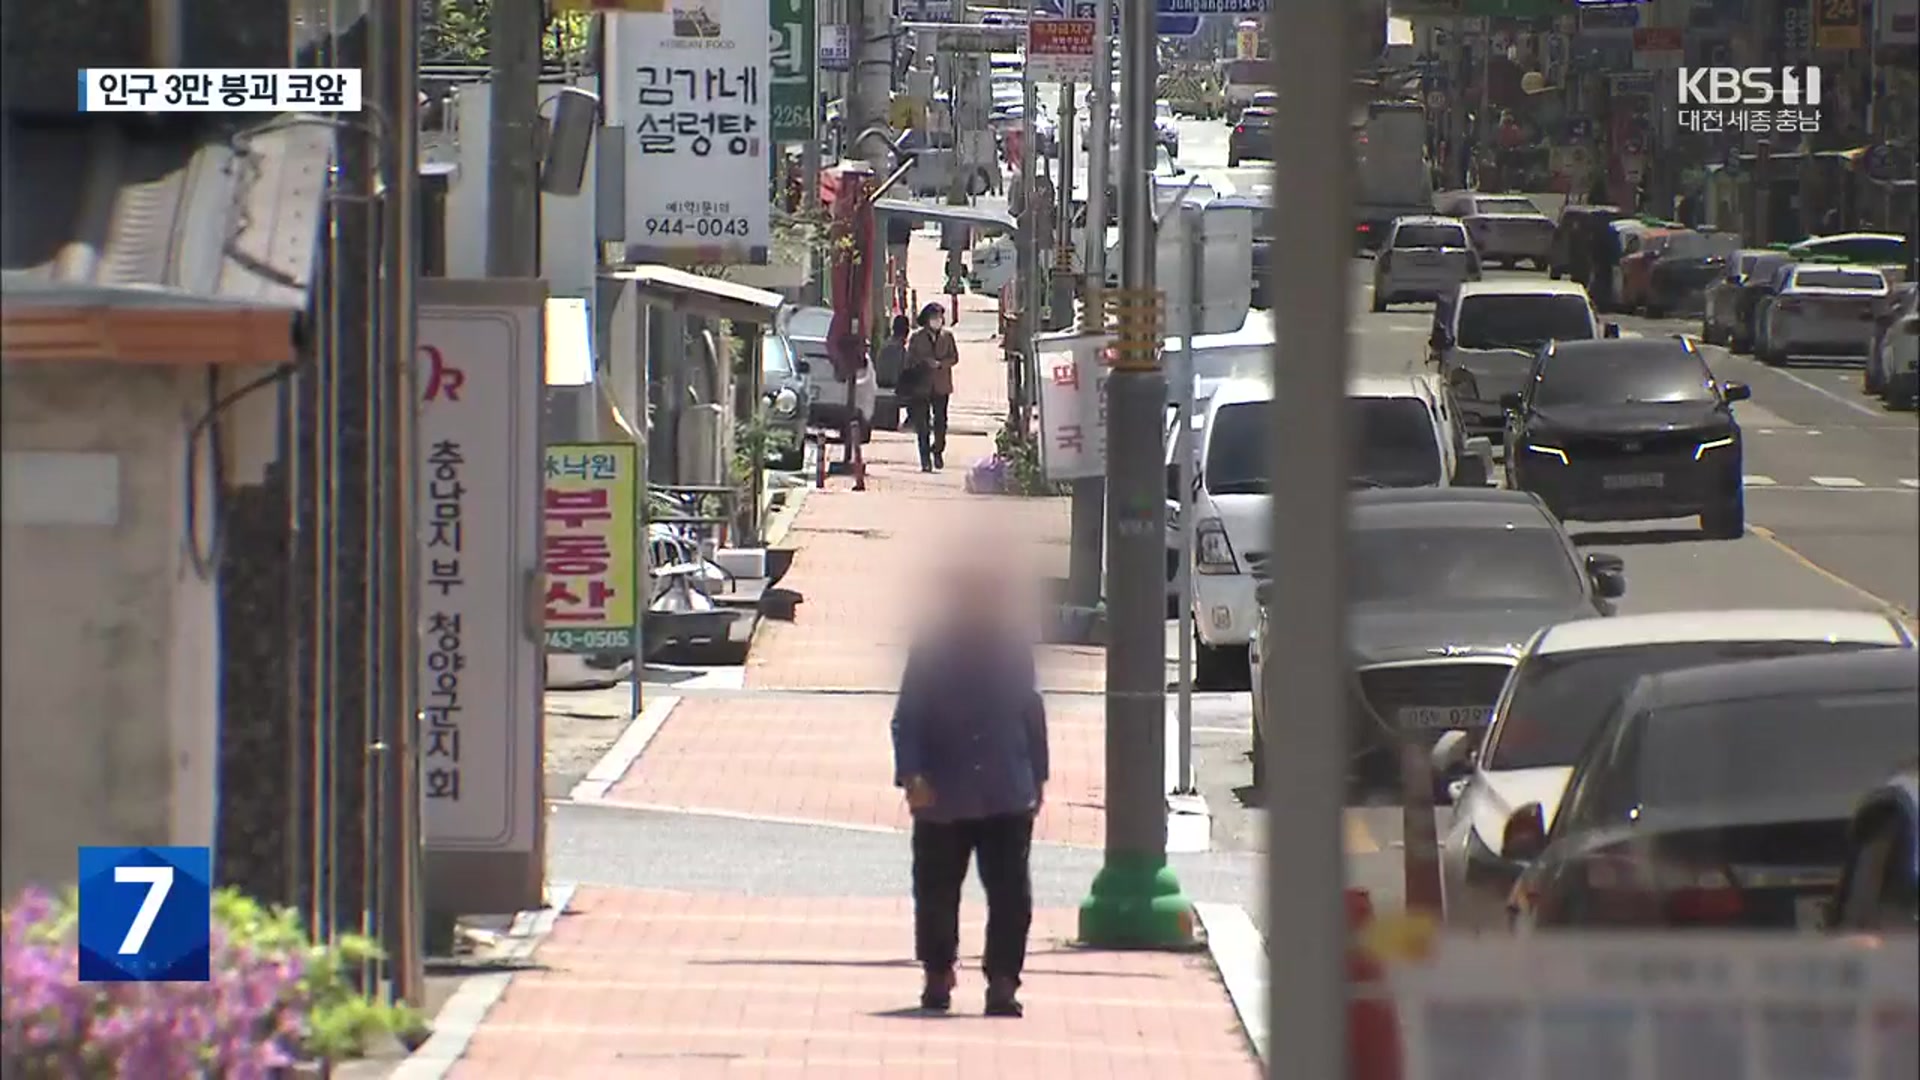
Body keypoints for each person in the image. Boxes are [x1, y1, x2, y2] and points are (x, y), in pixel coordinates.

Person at [891, 556, 1048, 1018]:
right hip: (943, 792)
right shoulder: (931, 648)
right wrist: (912, 774)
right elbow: (909, 716)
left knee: (1010, 893)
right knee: (936, 889)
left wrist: (1038, 774)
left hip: (1005, 789)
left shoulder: (1013, 646)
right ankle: (938, 973)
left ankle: (1003, 982)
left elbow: (1030, 710)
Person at [905, 303, 957, 470]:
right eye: (934, 317)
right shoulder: (917, 338)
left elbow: (954, 357)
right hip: (921, 385)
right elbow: (909, 360)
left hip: (941, 385)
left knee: (941, 421)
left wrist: (941, 364)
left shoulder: (947, 337)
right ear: (926, 319)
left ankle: (938, 449)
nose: (937, 320)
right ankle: (925, 459)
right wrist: (925, 362)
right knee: (923, 424)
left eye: (940, 317)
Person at [886, 212, 915, 305]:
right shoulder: (904, 213)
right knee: (900, 270)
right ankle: (902, 296)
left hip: (891, 242)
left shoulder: (890, 213)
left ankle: (893, 297)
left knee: (891, 272)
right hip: (901, 243)